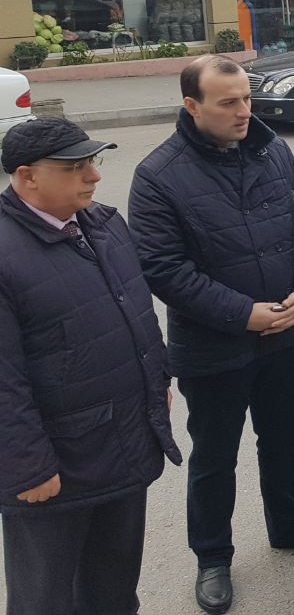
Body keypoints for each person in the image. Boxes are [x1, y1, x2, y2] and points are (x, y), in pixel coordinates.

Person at [129, 55, 294, 615]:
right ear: (192, 106)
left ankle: (289, 523)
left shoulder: (273, 149)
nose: (244, 111)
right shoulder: (157, 176)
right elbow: (163, 270)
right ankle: (212, 557)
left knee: (283, 438)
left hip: (287, 333)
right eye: (228, 103)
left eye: (247, 98)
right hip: (213, 347)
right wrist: (242, 314)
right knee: (214, 456)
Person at [1, 119, 181, 615]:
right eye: (74, 167)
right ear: (27, 176)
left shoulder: (103, 223)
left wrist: (156, 383)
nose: (94, 176)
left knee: (114, 587)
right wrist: (28, 467)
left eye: (92, 162)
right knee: (45, 599)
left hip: (121, 443)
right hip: (53, 470)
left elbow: (136, 312)